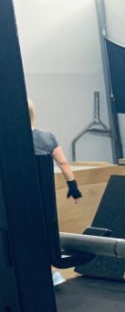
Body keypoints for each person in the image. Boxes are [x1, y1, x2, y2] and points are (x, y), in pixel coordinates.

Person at [30, 99, 82, 286]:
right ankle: (51, 272)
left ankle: (48, 272)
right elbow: (63, 163)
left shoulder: (9, 137)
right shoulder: (46, 137)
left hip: (18, 195)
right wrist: (73, 186)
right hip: (43, 195)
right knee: (43, 231)